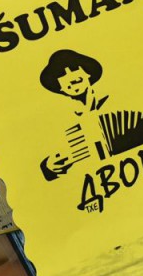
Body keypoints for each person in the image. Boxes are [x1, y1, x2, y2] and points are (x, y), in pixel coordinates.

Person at [39, 50, 109, 179]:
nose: (70, 76)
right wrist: (48, 167)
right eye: (62, 74)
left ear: (88, 74)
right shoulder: (59, 120)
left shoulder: (113, 102)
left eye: (74, 68)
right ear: (60, 87)